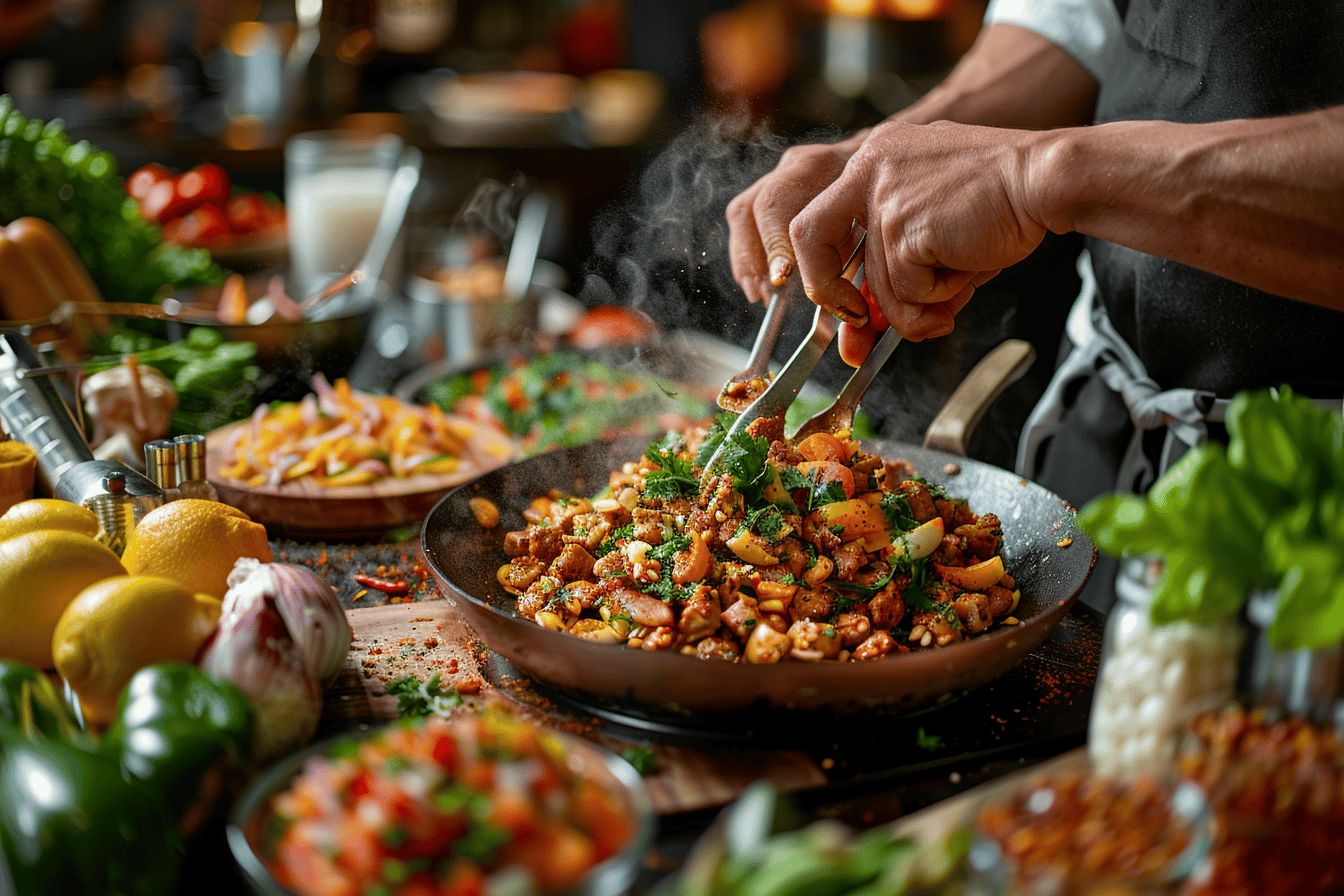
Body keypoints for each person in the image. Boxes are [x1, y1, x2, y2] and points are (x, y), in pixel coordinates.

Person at [725, 0, 1344, 609]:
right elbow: (1079, 20)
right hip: (1108, 434)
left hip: (1319, 498)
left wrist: (1037, 176)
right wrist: (876, 159)